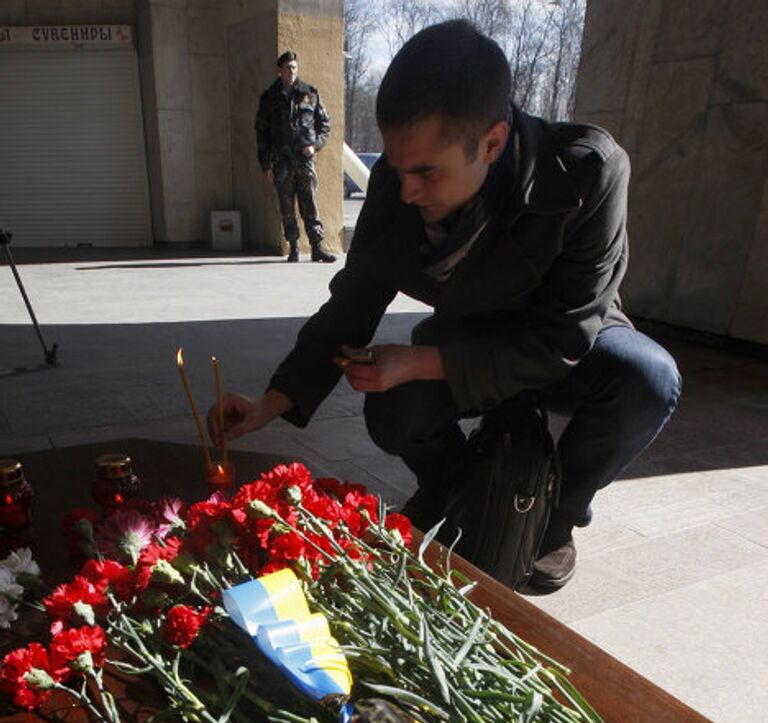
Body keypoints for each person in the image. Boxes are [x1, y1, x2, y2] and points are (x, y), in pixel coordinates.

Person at [214, 21, 681, 591]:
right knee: (391, 405)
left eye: (426, 173)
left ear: (491, 142)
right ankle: (449, 483)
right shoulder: (398, 178)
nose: (404, 191)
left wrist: (418, 361)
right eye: (397, 167)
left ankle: (557, 517)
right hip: (467, 341)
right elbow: (354, 300)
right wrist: (273, 400)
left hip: (564, 347)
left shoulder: (589, 171)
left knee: (649, 380)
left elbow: (565, 338)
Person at [256, 49, 336, 264]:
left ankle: (317, 246)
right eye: (287, 68)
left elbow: (324, 125)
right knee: (286, 206)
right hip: (281, 160)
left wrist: (315, 145)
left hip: (304, 159)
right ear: (279, 70)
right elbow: (261, 133)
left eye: (294, 67)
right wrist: (266, 165)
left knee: (309, 202)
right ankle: (293, 247)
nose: (291, 71)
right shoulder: (269, 98)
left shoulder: (309, 93)